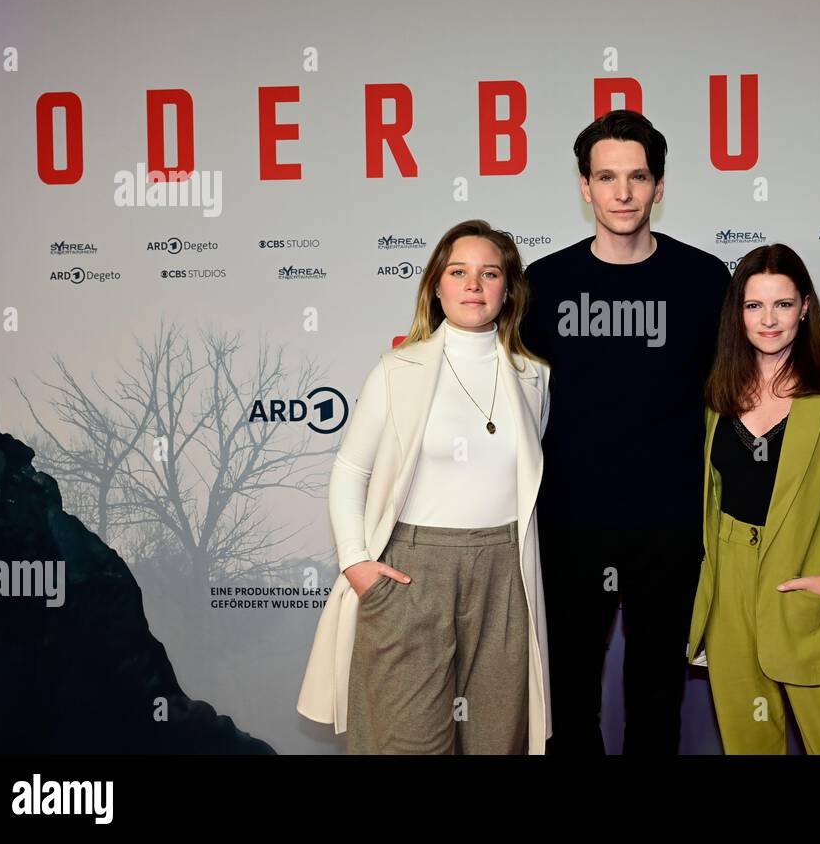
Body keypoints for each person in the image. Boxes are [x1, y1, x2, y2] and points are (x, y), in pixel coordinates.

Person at [520, 109, 731, 754]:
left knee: (656, 702)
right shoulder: (544, 284)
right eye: (606, 177)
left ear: (659, 186)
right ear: (584, 186)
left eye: (637, 177)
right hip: (570, 526)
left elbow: (742, 390)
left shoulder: (704, 281)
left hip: (670, 528)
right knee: (570, 706)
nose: (622, 193)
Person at [297, 219, 552, 754]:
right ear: (437, 285)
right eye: (459, 272)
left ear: (508, 290)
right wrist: (358, 565)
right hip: (412, 573)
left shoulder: (532, 378)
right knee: (406, 744)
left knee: (495, 743)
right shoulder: (396, 369)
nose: (473, 285)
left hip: (506, 576)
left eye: (489, 274)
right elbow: (349, 472)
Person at [686, 243, 820, 754]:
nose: (768, 320)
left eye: (782, 304)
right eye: (754, 306)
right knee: (747, 743)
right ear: (738, 314)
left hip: (809, 588)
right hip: (730, 595)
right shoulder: (717, 392)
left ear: (804, 307)